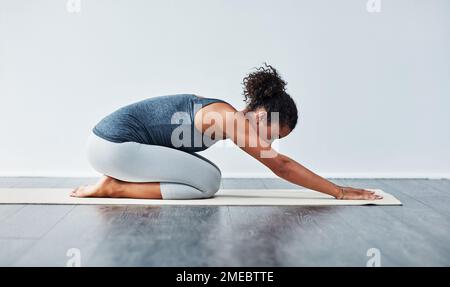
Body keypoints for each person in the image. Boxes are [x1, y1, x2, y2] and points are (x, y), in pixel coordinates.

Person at [72, 63, 382, 201]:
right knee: (208, 180)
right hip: (113, 146)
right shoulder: (230, 119)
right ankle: (115, 188)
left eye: (274, 140)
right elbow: (281, 165)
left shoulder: (225, 115)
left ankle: (117, 182)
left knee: (206, 177)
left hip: (114, 148)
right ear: (261, 112)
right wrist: (339, 192)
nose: (268, 142)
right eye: (272, 132)